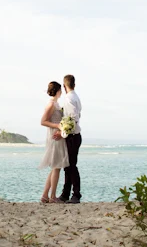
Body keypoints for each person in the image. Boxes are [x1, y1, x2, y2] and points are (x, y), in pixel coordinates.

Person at [38, 81, 69, 203]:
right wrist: (58, 126)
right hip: (55, 137)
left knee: (55, 167)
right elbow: (43, 121)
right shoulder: (51, 104)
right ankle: (52, 196)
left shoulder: (56, 104)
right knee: (56, 166)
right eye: (60, 90)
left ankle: (45, 195)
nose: (61, 92)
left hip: (58, 136)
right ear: (57, 91)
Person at [56, 74, 82, 204]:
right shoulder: (75, 97)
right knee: (68, 165)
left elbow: (73, 118)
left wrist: (62, 132)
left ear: (65, 85)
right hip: (75, 135)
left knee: (71, 166)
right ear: (74, 84)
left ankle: (76, 194)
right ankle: (65, 194)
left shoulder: (68, 98)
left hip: (72, 136)